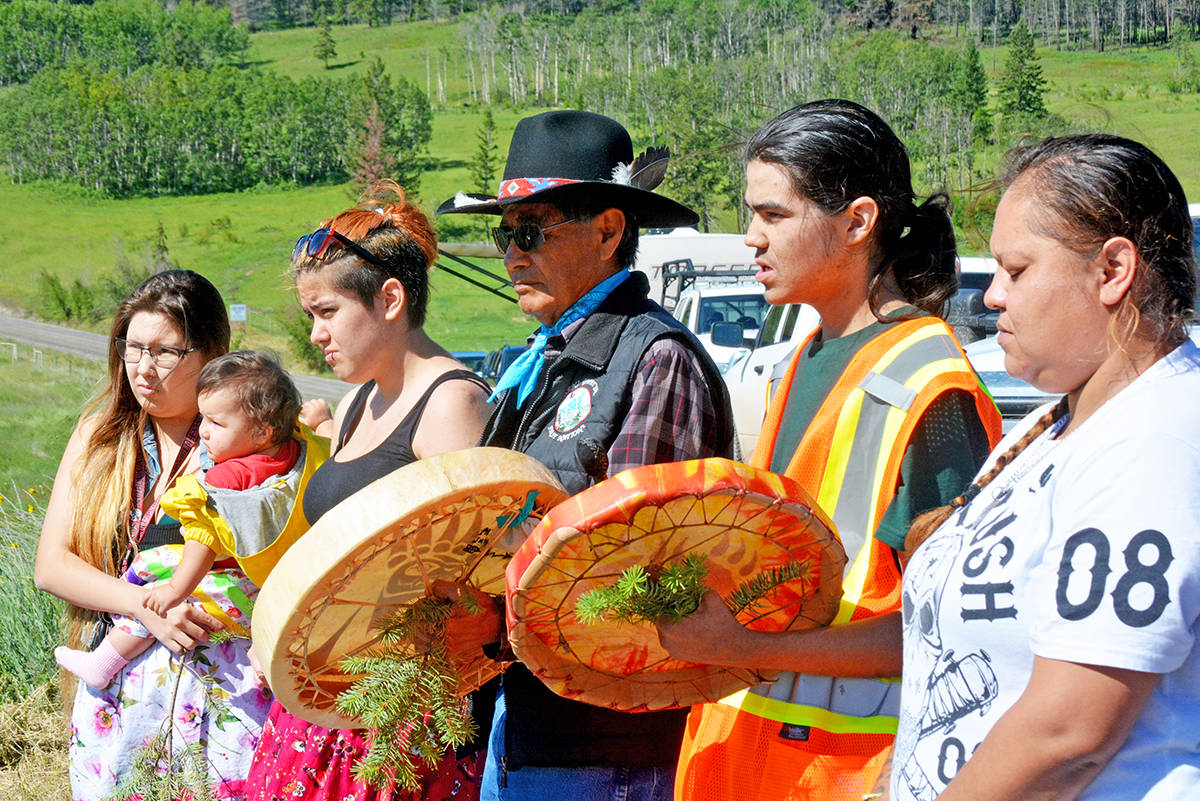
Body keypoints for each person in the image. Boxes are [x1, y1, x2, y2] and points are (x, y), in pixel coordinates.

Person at [657, 99, 1002, 801]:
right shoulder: (805, 357)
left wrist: (744, 651)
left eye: (774, 215)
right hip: (749, 763)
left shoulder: (928, 388)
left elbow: (947, 634)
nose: (750, 238)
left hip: (846, 774)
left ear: (858, 221)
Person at [436, 109, 735, 801]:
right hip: (528, 723)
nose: (512, 254)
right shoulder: (540, 363)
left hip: (608, 747)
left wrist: (493, 628)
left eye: (532, 231)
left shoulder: (655, 361)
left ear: (608, 231)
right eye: (504, 234)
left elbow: (634, 576)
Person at [891, 135, 1200, 801]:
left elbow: (1069, 733)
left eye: (1018, 270)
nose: (991, 296)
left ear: (1113, 269)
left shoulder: (1158, 441)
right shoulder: (1057, 422)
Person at [244, 184, 493, 801]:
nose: (315, 336)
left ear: (389, 299)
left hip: (400, 721)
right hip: (334, 700)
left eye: (326, 312)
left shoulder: (451, 404)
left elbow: (470, 577)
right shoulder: (358, 403)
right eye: (310, 317)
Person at [35, 269, 274, 800]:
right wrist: (146, 606)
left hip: (225, 693)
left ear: (212, 353)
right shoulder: (99, 436)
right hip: (116, 696)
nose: (144, 368)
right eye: (133, 347)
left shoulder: (254, 446)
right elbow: (51, 565)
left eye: (166, 352)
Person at [53, 350, 304, 690]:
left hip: (222, 581)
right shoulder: (292, 453)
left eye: (216, 423)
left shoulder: (225, 478)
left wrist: (175, 589)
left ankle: (104, 661)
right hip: (261, 590)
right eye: (203, 419)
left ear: (262, 431)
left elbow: (203, 541)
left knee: (150, 578)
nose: (203, 432)